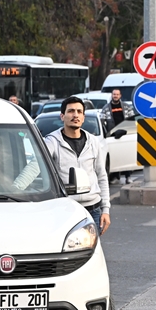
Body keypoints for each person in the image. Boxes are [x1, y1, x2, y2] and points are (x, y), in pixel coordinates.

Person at [43, 96, 110, 235]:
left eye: (79, 112)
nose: (75, 115)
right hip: (65, 209)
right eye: (71, 111)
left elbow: (102, 176)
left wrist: (106, 210)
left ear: (84, 117)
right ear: (62, 116)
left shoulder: (93, 142)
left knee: (93, 252)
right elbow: (34, 169)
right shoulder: (52, 142)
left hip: (93, 209)